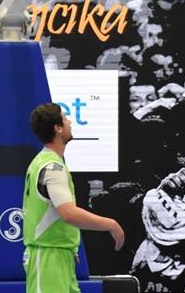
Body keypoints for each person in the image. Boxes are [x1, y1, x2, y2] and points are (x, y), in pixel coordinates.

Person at [23, 103, 125, 293]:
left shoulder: (44, 162)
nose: (70, 122)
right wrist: (111, 224)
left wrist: (67, 247)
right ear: (58, 128)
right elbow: (69, 213)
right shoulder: (52, 168)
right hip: (48, 259)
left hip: (58, 256)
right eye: (65, 119)